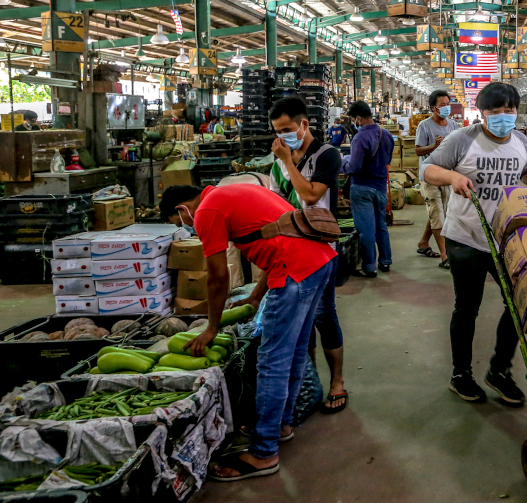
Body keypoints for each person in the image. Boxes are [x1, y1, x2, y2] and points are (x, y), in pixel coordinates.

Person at [160, 183, 337, 481]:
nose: (187, 227)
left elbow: (217, 276)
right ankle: (281, 425)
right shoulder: (232, 193)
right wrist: (256, 296)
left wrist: (211, 327)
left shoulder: (206, 211)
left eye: (181, 222)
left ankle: (263, 453)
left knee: (271, 362)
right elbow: (279, 236)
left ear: (182, 209)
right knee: (292, 352)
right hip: (317, 261)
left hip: (295, 270)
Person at [423, 82, 527, 405]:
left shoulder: (521, 140)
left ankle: (499, 369)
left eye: (508, 110)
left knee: (518, 303)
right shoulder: (462, 139)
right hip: (465, 237)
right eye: (494, 111)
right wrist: (452, 177)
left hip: (505, 239)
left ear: (516, 111)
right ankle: (461, 374)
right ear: (482, 113)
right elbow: (426, 169)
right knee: (467, 308)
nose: (502, 116)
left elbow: (525, 169)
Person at [267, 97, 346, 414]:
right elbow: (275, 205)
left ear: (304, 124)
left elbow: (312, 194)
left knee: (323, 315)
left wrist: (288, 162)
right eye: (277, 131)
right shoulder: (276, 163)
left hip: (321, 249)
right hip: (290, 250)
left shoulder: (326, 155)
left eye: (287, 129)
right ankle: (308, 381)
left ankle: (337, 382)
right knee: (299, 322)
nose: (283, 136)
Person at [341, 101, 394, 278]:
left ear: (357, 118)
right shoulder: (386, 134)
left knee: (366, 230)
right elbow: (387, 160)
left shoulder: (360, 137)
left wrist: (343, 164)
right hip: (380, 189)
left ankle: (369, 266)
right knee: (381, 226)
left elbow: (354, 166)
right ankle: (385, 261)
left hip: (362, 188)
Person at [415, 90, 458, 269]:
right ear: (433, 108)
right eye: (442, 105)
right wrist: (434, 146)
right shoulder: (424, 126)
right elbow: (418, 151)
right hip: (430, 175)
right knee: (437, 214)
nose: (446, 107)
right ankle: (444, 255)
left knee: (440, 213)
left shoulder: (454, 126)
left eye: (448, 103)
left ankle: (423, 243)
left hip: (447, 176)